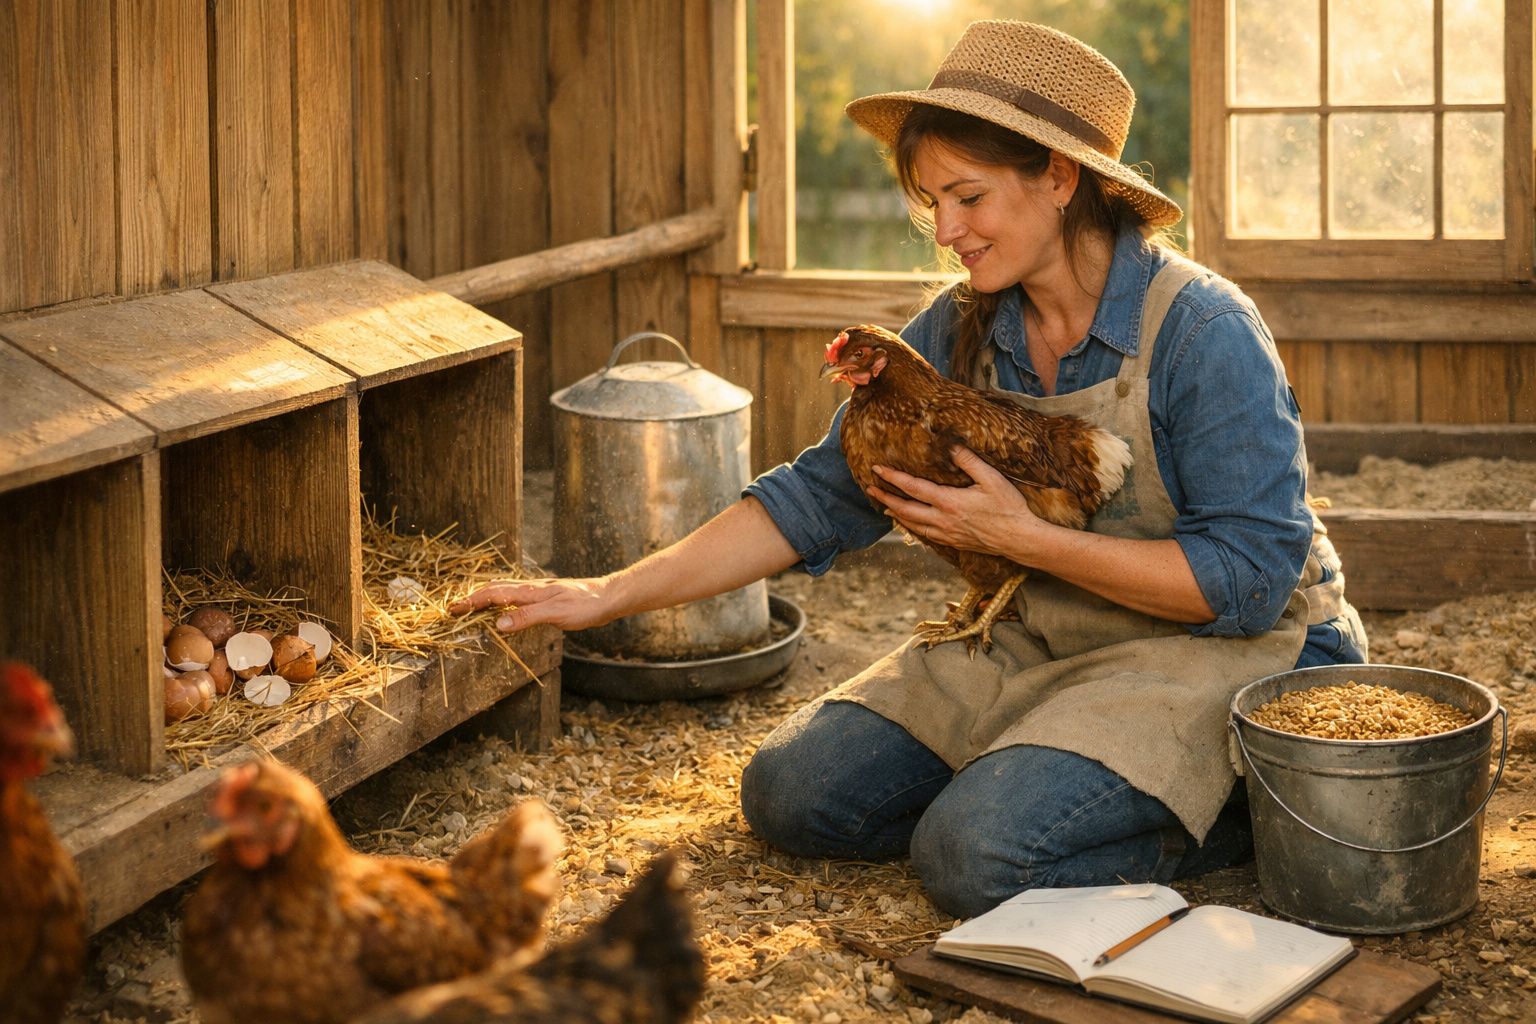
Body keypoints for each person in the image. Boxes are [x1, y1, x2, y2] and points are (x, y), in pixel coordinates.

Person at [453, 19, 1368, 919]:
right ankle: (1053, 781)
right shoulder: (964, 323)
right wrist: (604, 595)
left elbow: (1248, 583)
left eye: (967, 197)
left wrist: (1024, 540)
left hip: (1218, 649)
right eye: (932, 203)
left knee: (972, 857)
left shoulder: (1204, 333)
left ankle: (1240, 806)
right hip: (1049, 633)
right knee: (793, 792)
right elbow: (815, 499)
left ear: (1060, 177)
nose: (946, 230)